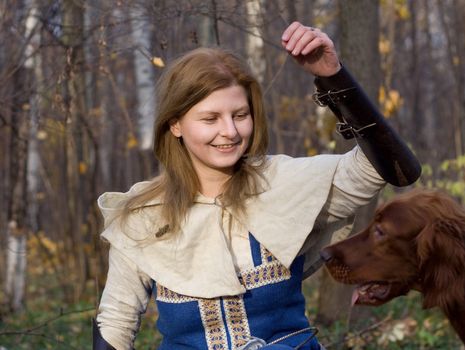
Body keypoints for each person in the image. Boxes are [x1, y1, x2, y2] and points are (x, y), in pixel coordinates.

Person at [94, 21, 420, 350]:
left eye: (240, 115)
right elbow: (116, 324)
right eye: (210, 119)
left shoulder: (284, 183)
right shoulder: (142, 216)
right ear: (175, 124)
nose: (230, 132)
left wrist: (333, 76)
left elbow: (394, 170)